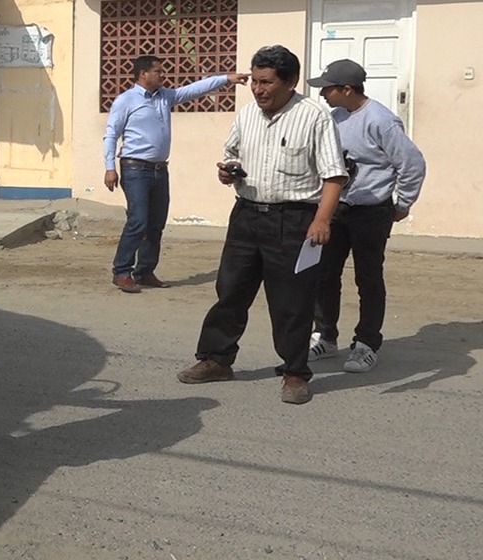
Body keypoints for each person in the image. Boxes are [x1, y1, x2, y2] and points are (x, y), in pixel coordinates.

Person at [176, 45, 348, 405]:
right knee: (231, 290)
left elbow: (334, 176)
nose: (258, 89)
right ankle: (216, 359)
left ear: (290, 81)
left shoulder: (314, 116)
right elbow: (232, 155)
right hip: (247, 216)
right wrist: (227, 171)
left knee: (291, 301)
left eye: (266, 82)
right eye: (254, 81)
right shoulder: (246, 115)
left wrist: (321, 220)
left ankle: (296, 373)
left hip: (295, 219)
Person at [306, 59, 426, 373]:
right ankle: (326, 336)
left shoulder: (381, 121)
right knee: (324, 274)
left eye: (328, 89)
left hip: (371, 211)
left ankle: (366, 344)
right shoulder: (334, 117)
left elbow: (412, 164)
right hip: (337, 209)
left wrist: (402, 203)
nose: (323, 95)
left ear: (347, 89)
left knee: (368, 278)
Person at [103, 55, 247, 292]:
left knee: (156, 223)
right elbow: (111, 135)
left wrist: (227, 79)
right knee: (138, 220)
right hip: (135, 168)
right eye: (158, 71)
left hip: (160, 169)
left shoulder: (165, 97)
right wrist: (109, 167)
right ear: (143, 74)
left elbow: (195, 89)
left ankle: (145, 271)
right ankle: (121, 271)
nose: (163, 75)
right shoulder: (125, 101)